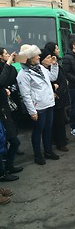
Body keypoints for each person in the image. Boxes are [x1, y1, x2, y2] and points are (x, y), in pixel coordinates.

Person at [17, 44, 60, 165]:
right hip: (38, 107)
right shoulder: (23, 74)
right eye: (36, 55)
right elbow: (26, 95)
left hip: (49, 104)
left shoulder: (40, 67)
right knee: (37, 131)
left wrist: (54, 64)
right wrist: (32, 111)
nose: (38, 56)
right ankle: (37, 155)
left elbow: (52, 77)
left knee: (48, 129)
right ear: (30, 58)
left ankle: (48, 151)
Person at [43, 43, 70, 152]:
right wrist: (56, 91)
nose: (58, 50)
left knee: (59, 120)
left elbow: (62, 79)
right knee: (57, 121)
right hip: (55, 97)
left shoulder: (55, 63)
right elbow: (53, 80)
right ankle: (60, 143)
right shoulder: (47, 66)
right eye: (57, 48)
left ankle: (60, 140)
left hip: (59, 95)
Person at [0, 48, 22, 180]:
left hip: (7, 107)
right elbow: (1, 81)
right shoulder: (5, 67)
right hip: (2, 111)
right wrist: (8, 63)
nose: (9, 55)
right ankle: (4, 172)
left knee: (11, 140)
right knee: (13, 141)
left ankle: (8, 166)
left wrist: (8, 89)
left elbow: (10, 81)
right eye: (6, 53)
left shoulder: (9, 68)